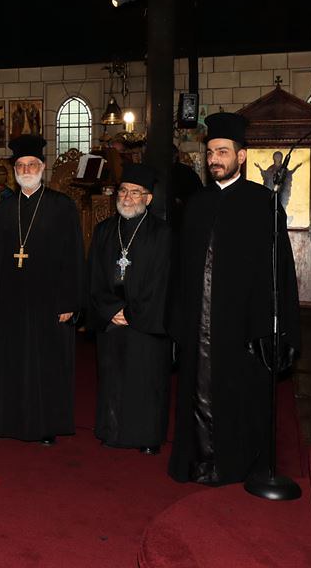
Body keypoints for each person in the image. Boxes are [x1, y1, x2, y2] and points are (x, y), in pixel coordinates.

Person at [168, 112, 301, 486]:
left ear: (241, 156)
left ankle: (237, 466)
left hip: (244, 327)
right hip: (199, 325)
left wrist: (282, 329)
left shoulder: (263, 203)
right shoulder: (196, 204)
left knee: (240, 398)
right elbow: (181, 271)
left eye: (222, 152)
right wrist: (177, 326)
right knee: (196, 396)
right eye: (211, 152)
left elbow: (281, 274)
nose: (214, 159)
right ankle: (198, 463)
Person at [0, 134, 85, 445]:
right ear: (14, 169)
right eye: (20, 165)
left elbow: (74, 257)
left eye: (32, 164)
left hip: (50, 301)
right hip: (12, 302)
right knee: (12, 362)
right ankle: (10, 422)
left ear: (42, 167)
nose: (26, 169)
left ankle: (46, 427)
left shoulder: (62, 206)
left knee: (47, 365)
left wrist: (70, 300)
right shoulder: (3, 211)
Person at [88, 164, 173, 455]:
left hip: (146, 322)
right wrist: (110, 309)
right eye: (123, 191)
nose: (127, 197)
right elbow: (94, 275)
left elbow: (163, 282)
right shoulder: (103, 231)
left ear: (148, 198)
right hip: (112, 318)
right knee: (111, 377)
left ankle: (147, 437)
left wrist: (133, 313)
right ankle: (111, 431)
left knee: (145, 381)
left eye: (135, 193)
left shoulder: (163, 234)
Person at [255, 150, 303, 217]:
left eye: (279, 157)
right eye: (276, 157)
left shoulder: (284, 168)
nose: (277, 158)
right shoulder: (271, 168)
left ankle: (281, 216)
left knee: (281, 204)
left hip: (282, 190)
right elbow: (266, 175)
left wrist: (296, 167)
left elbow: (289, 173)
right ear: (273, 158)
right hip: (271, 189)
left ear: (281, 158)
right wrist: (259, 168)